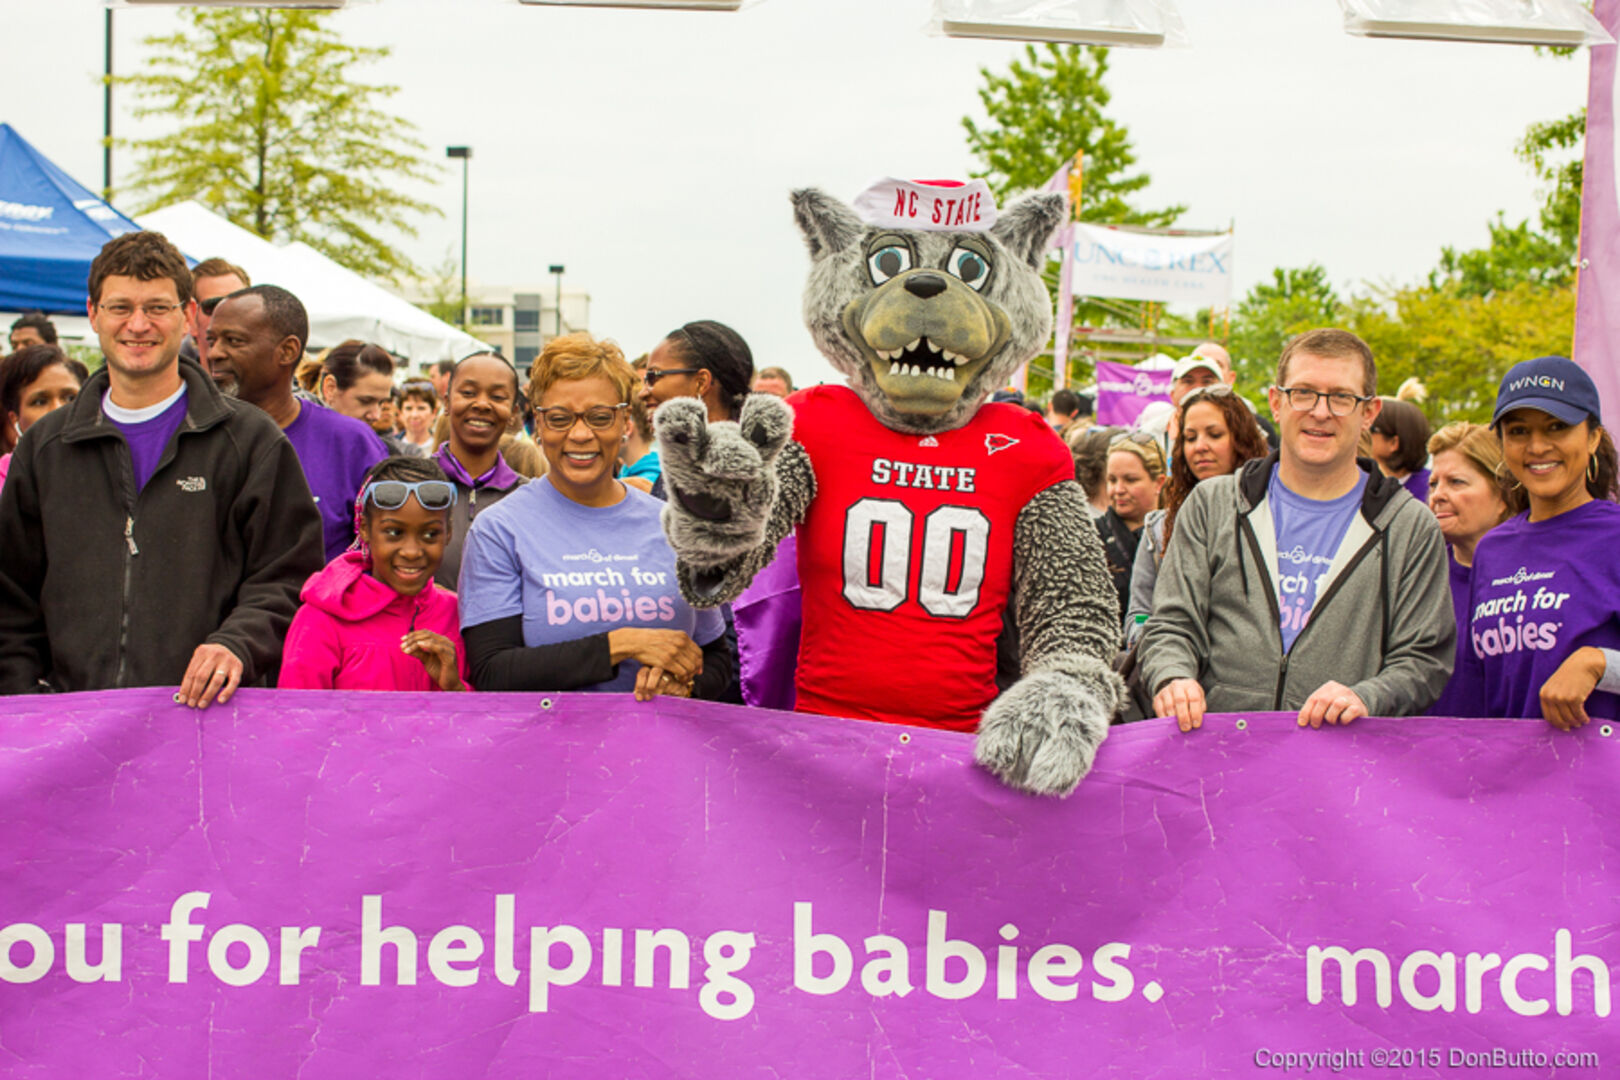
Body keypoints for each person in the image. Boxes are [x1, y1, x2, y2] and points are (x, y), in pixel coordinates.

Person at [0, 230, 323, 702]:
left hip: (208, 724)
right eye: (120, 307)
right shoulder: (46, 448)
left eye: (157, 307)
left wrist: (237, 643)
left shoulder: (251, 442)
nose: (138, 324)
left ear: (188, 315)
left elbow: (288, 576)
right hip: (71, 733)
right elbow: (12, 600)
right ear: (93, 314)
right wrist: (27, 697)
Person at [1139, 328, 1453, 731]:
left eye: (1341, 397)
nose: (1320, 412)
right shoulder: (1212, 505)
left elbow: (1424, 658)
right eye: (1303, 392)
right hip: (1217, 756)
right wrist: (1173, 676)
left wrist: (1366, 696)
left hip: (1340, 768)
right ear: (1276, 401)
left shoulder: (1408, 525)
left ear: (1369, 412)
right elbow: (1172, 622)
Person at [458, 332, 733, 700]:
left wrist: (687, 687)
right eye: (559, 418)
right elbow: (493, 671)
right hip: (551, 752)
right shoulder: (499, 529)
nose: (581, 434)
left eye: (600, 417)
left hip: (660, 747)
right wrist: (619, 645)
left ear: (624, 423)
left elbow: (716, 657)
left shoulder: (675, 525)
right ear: (538, 425)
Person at [1468, 356, 1620, 726]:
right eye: (1519, 431)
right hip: (1513, 776)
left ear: (1593, 437)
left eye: (1557, 427)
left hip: (1603, 778)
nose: (1537, 447)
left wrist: (1599, 663)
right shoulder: (1491, 550)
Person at [208, 286, 389, 562]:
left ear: (288, 350)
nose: (215, 353)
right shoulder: (191, 437)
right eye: (212, 340)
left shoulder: (352, 443)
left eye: (234, 341)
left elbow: (384, 554)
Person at [279, 456, 470, 693]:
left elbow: (478, 724)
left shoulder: (457, 616)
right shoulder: (321, 620)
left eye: (430, 534)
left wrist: (454, 688)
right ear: (365, 530)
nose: (411, 551)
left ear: (449, 533)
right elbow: (296, 720)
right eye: (393, 532)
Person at [1124, 384, 1269, 643]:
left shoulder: (1271, 521)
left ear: (1242, 440)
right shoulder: (1158, 528)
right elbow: (1139, 615)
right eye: (1190, 438)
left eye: (1214, 435)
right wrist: (1160, 642)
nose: (1200, 446)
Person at [1424, 422, 1515, 717]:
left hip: (1520, 755)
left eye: (1456, 482)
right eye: (1433, 483)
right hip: (1425, 755)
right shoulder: (1419, 576)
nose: (1437, 495)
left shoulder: (1533, 580)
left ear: (1502, 495)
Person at [432, 351, 529, 589]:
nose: (482, 404)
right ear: (447, 402)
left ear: (513, 413)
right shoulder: (411, 485)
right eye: (468, 393)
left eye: (497, 396)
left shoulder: (529, 498)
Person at [1096, 432, 1166, 619]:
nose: (1118, 490)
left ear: (1159, 483)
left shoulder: (1178, 532)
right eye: (1112, 480)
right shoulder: (1090, 537)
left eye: (1130, 480)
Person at [0, 345, 89, 491]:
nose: (58, 409)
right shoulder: (6, 482)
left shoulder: (113, 471)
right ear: (15, 418)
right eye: (40, 402)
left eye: (70, 398)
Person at [182, 257, 250, 373]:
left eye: (240, 303)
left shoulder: (280, 386)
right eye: (215, 306)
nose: (231, 314)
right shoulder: (168, 387)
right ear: (191, 320)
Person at [1369, 396, 1431, 502]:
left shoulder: (1430, 491)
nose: (1361, 433)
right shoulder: (1363, 482)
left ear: (1393, 443)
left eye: (1371, 428)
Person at [399, 379, 439, 453]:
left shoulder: (443, 449)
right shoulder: (390, 448)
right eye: (408, 408)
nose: (414, 415)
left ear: (434, 413)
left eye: (421, 408)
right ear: (400, 413)